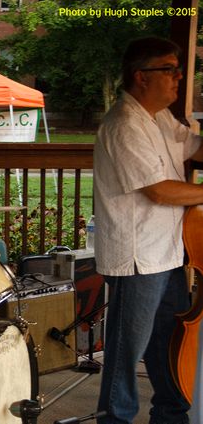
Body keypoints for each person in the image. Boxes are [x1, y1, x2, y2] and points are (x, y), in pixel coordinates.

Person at [93, 36, 203, 424]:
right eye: (169, 70)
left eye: (178, 70)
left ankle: (171, 417)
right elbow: (160, 191)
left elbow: (196, 149)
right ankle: (115, 419)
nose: (178, 78)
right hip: (138, 259)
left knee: (166, 344)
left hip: (168, 253)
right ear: (142, 76)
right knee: (126, 352)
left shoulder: (159, 117)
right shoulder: (125, 124)